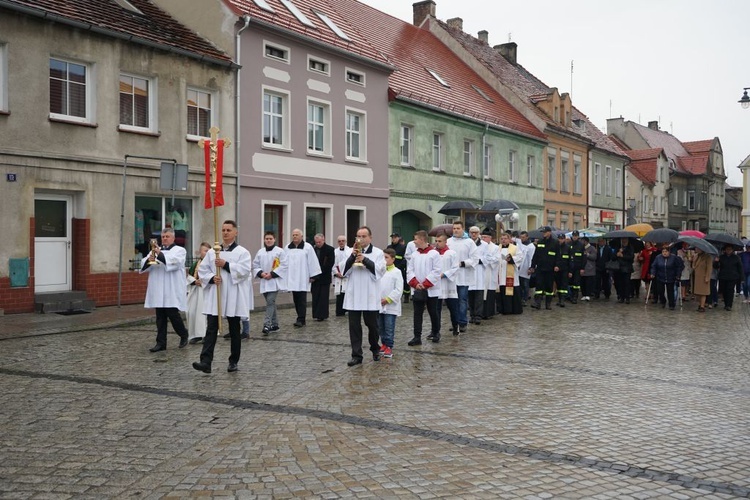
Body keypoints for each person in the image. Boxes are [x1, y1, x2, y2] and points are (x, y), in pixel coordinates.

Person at [193, 220, 253, 373]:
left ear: (235, 232)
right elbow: (203, 270)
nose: (225, 233)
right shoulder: (213, 252)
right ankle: (205, 362)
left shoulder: (242, 252)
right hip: (217, 294)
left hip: (233, 294)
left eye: (228, 230)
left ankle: (233, 361)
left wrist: (226, 265)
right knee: (211, 328)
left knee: (234, 329)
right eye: (223, 230)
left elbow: (245, 271)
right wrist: (212, 278)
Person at [141, 227, 190, 352]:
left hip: (171, 288)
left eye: (167, 236)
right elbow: (143, 265)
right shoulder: (155, 250)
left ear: (173, 238)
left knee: (173, 314)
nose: (164, 239)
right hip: (158, 288)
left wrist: (159, 255)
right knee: (160, 317)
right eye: (163, 237)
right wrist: (149, 260)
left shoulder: (179, 250)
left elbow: (175, 263)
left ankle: (183, 334)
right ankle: (161, 343)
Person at [343, 226, 385, 366]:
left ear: (370, 237)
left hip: (369, 294)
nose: (360, 239)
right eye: (358, 236)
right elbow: (343, 270)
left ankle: (375, 349)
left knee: (372, 326)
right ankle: (356, 355)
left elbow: (380, 271)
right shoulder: (350, 251)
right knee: (354, 326)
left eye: (363, 236)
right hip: (354, 294)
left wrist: (365, 259)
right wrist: (353, 256)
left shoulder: (378, 253)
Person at [407, 230, 442, 344]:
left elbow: (437, 271)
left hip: (431, 289)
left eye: (416, 239)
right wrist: (415, 283)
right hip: (417, 288)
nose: (414, 241)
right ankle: (417, 336)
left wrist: (425, 284)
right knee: (417, 313)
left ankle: (436, 332)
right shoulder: (414, 254)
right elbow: (410, 270)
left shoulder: (434, 253)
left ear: (422, 239)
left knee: (433, 311)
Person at [252, 231, 288, 335]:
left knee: (270, 302)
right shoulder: (260, 252)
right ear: (264, 240)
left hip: (274, 281)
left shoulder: (280, 251)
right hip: (264, 280)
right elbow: (255, 265)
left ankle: (267, 325)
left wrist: (272, 274)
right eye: (266, 239)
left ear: (274, 239)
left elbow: (284, 265)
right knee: (270, 303)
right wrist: (261, 273)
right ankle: (275, 325)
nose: (268, 240)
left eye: (270, 239)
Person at [285, 229, 322, 328]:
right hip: (292, 277)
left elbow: (312, 261)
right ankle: (299, 316)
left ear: (301, 236)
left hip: (302, 277)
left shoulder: (307, 247)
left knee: (302, 299)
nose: (295, 236)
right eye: (293, 235)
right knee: (296, 298)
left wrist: (313, 275)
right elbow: (284, 262)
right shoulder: (288, 248)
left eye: (297, 235)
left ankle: (301, 319)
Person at [446, 221, 477, 331]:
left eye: (458, 228)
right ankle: (455, 322)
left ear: (463, 229)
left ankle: (462, 322)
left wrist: (462, 263)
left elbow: (474, 259)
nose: (456, 230)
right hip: (451, 276)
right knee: (452, 301)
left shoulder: (469, 242)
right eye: (454, 228)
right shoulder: (448, 242)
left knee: (462, 300)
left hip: (463, 275)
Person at [378, 248, 403, 359]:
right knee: (380, 326)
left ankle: (389, 345)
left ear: (393, 259)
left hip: (390, 305)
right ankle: (383, 343)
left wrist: (387, 299)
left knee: (389, 326)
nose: (384, 260)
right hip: (379, 304)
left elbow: (398, 289)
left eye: (386, 258)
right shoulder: (379, 271)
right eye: (383, 257)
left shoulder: (396, 272)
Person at [433, 233, 460, 335]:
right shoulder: (433, 253)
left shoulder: (451, 253)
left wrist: (444, 274)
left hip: (449, 284)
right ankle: (436, 330)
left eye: (439, 241)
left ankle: (455, 326)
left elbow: (455, 268)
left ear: (445, 242)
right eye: (436, 241)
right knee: (436, 309)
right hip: (437, 284)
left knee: (453, 307)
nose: (437, 243)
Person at [529, 226, 560, 310]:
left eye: (545, 232)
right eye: (543, 232)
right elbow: (536, 255)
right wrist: (532, 266)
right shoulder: (540, 242)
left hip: (550, 268)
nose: (544, 234)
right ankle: (537, 303)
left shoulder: (555, 243)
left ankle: (548, 304)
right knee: (539, 285)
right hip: (540, 268)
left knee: (549, 286)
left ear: (549, 232)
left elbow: (558, 256)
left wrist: (557, 265)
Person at [186, 241, 211, 344]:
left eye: (208, 251)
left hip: (206, 292)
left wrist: (204, 281)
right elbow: (189, 277)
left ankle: (205, 334)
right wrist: (194, 281)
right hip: (196, 291)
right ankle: (195, 334)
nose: (206, 253)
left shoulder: (212, 264)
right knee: (191, 312)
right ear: (200, 252)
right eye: (205, 251)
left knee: (203, 315)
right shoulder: (195, 264)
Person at [649, 244, 684, 310]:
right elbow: (654, 266)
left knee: (670, 291)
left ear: (669, 252)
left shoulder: (674, 258)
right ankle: (663, 301)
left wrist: (678, 274)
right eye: (663, 252)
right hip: (660, 276)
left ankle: (671, 304)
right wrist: (653, 273)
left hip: (671, 276)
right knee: (660, 291)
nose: (664, 253)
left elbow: (679, 266)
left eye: (666, 251)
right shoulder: (658, 257)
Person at [497, 232, 523, 314]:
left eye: (505, 238)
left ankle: (514, 309)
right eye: (502, 239)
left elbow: (520, 257)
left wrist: (511, 259)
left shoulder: (515, 248)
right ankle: (503, 309)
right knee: (502, 290)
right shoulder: (497, 248)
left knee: (512, 290)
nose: (503, 240)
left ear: (509, 239)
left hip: (511, 273)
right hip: (501, 273)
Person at [311, 233, 335, 322]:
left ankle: (322, 315)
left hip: (324, 277)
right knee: (315, 296)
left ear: (323, 240)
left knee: (323, 297)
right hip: (314, 278)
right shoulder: (313, 249)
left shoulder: (330, 249)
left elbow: (330, 263)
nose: (318, 244)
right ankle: (316, 314)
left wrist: (319, 271)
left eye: (319, 242)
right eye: (316, 242)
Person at [467, 226, 488, 324]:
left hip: (479, 271)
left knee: (479, 296)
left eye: (475, 232)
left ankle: (478, 315)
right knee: (470, 295)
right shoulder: (466, 243)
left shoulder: (484, 245)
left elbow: (487, 257)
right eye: (472, 232)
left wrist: (479, 260)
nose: (473, 234)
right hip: (470, 270)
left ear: (479, 233)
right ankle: (472, 314)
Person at [716, 244, 743, 311]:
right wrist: (716, 261)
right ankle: (726, 303)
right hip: (723, 276)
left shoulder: (736, 257)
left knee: (730, 290)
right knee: (724, 290)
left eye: (730, 249)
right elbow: (716, 266)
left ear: (732, 250)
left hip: (733, 277)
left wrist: (742, 278)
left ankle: (729, 305)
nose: (728, 251)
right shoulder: (721, 257)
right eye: (727, 249)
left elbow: (740, 268)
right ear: (725, 250)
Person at [479, 229, 499, 319]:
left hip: (490, 272)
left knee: (489, 293)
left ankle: (488, 313)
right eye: (482, 237)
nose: (483, 239)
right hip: (480, 272)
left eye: (485, 237)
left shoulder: (495, 247)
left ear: (490, 238)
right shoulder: (478, 246)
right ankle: (479, 312)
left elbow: (496, 259)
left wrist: (487, 259)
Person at [387, 232, 408, 303]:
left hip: (400, 268)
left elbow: (405, 259)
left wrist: (401, 266)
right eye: (392, 237)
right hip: (390, 268)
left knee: (402, 283)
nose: (393, 239)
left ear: (398, 238)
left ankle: (405, 296)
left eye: (395, 237)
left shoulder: (403, 247)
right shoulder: (389, 247)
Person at [333, 235, 351, 316]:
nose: (341, 242)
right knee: (339, 294)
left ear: (345, 241)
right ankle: (340, 311)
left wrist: (346, 273)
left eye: (343, 241)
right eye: (339, 241)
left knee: (348, 293)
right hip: (338, 274)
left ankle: (348, 309)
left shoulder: (350, 251)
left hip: (347, 275)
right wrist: (336, 273)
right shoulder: (335, 251)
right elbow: (333, 264)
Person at [612, 238, 635, 304]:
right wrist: (617, 254)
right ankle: (621, 297)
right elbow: (613, 257)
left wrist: (623, 256)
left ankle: (627, 297)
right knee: (619, 283)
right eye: (623, 240)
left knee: (627, 283)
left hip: (627, 268)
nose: (624, 241)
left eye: (625, 240)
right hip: (618, 268)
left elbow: (631, 258)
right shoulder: (618, 247)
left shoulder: (630, 247)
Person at [516, 231, 535, 306]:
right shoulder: (519, 244)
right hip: (519, 267)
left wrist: (531, 267)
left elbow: (531, 257)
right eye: (521, 237)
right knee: (519, 284)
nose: (522, 239)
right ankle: (519, 298)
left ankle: (525, 299)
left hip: (526, 267)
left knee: (525, 284)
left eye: (523, 237)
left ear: (527, 237)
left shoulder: (531, 246)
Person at [691, 248, 713, 312]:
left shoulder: (707, 257)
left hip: (703, 277)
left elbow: (709, 268)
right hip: (696, 277)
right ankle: (700, 304)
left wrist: (707, 277)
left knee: (703, 292)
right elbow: (693, 267)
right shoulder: (696, 256)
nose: (696, 249)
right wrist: (693, 261)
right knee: (697, 292)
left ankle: (702, 306)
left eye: (698, 248)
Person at [568, 230, 585, 304]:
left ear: (578, 236)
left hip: (578, 267)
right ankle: (571, 296)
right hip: (570, 267)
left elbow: (584, 258)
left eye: (576, 236)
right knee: (570, 282)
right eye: (573, 236)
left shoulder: (581, 245)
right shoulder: (568, 244)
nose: (574, 237)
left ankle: (575, 297)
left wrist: (582, 268)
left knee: (576, 283)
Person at [555, 233, 571, 307]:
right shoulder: (556, 247)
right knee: (558, 285)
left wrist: (570, 271)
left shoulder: (568, 248)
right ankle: (559, 299)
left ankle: (562, 300)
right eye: (559, 238)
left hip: (565, 269)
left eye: (562, 238)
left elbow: (570, 261)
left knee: (564, 285)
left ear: (564, 239)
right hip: (556, 270)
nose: (560, 240)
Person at [581, 237, 597, 301]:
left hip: (589, 268)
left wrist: (587, 254)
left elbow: (594, 257)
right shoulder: (581, 248)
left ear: (586, 241)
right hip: (582, 267)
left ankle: (588, 294)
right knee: (583, 282)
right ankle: (584, 294)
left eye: (582, 241)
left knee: (588, 282)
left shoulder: (592, 248)